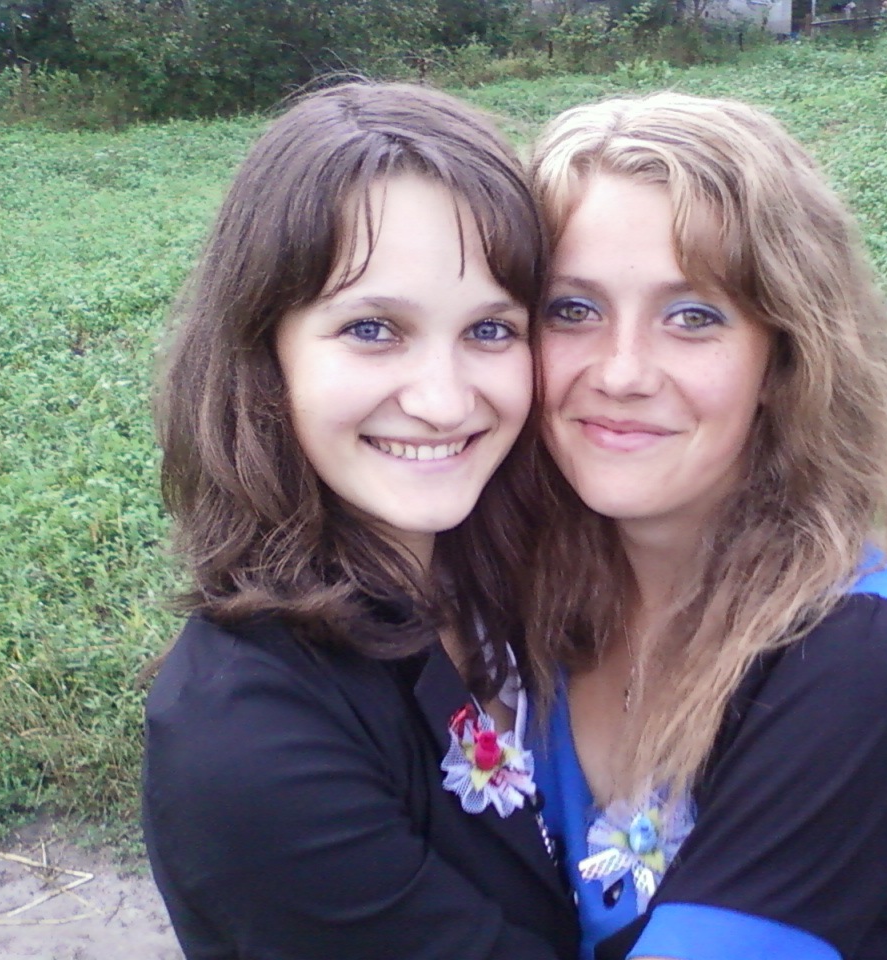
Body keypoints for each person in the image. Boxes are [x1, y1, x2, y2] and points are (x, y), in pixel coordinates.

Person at [523, 92, 887, 960]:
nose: (621, 372)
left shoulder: (856, 662)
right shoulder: (515, 601)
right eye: (571, 309)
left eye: (694, 317)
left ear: (785, 358)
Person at [141, 81, 577, 960]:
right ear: (263, 352)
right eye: (374, 328)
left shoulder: (532, 574)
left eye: (492, 330)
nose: (443, 400)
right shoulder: (247, 744)